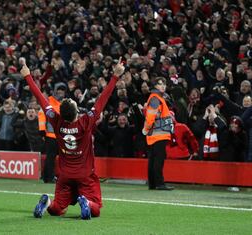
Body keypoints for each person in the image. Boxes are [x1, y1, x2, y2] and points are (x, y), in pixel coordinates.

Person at [21, 58, 125, 220]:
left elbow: (41, 99)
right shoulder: (85, 122)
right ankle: (87, 203)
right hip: (84, 175)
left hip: (65, 176)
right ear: (77, 112)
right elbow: (101, 100)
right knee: (95, 209)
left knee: (57, 209)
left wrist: (28, 76)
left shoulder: (56, 121)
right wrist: (115, 76)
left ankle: (47, 202)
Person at [142, 77, 175, 190]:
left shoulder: (155, 98)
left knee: (153, 159)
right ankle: (159, 183)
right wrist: (146, 129)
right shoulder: (156, 99)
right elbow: (151, 116)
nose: (163, 86)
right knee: (158, 159)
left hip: (155, 134)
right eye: (160, 84)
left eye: (164, 84)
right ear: (155, 86)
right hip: (159, 134)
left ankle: (153, 184)